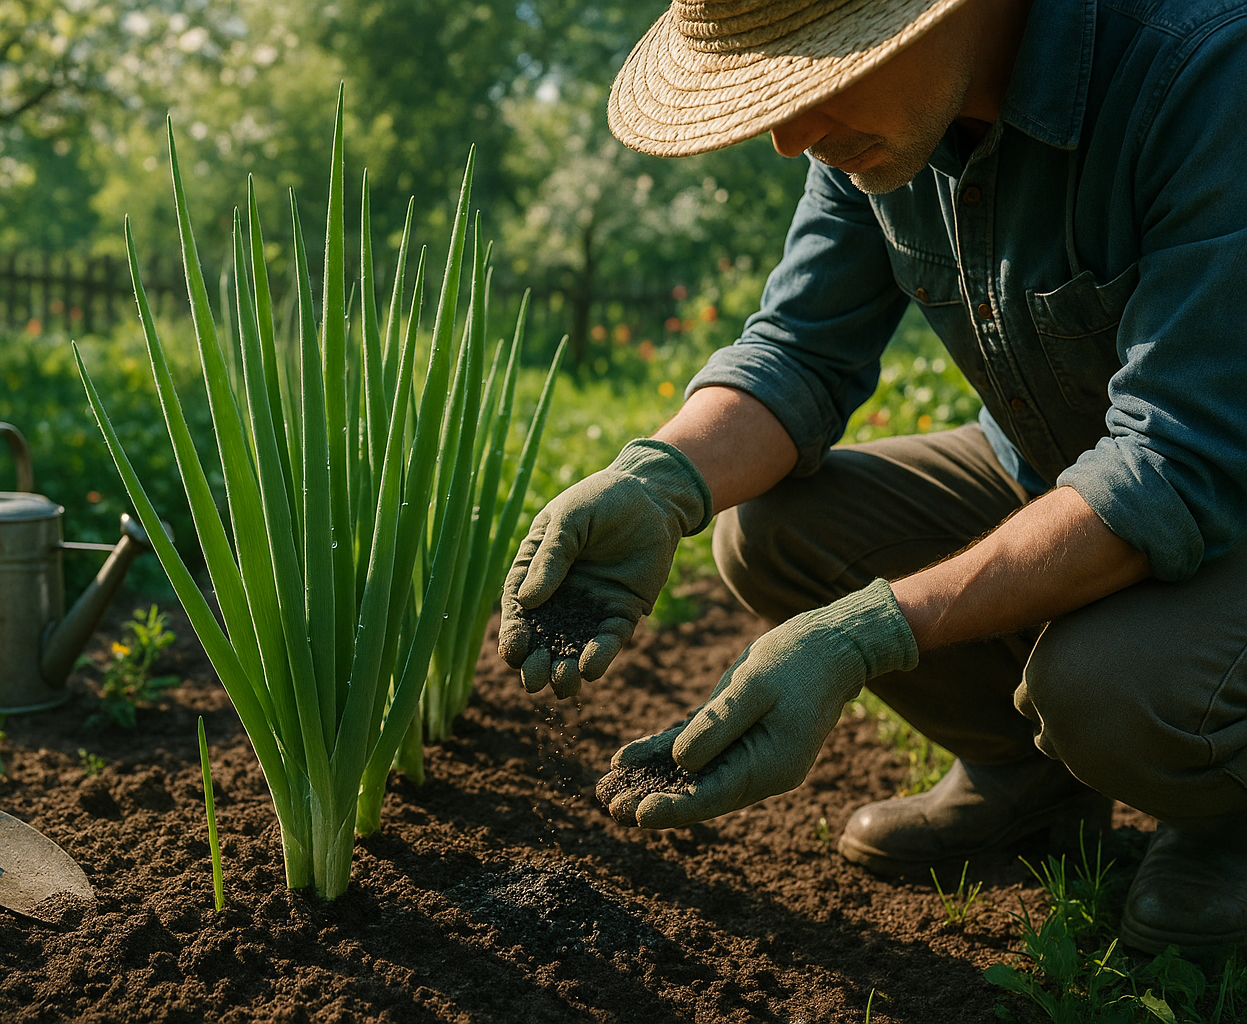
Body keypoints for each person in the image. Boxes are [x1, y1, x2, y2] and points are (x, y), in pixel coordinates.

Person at [498, 0, 1247, 956]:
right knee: (775, 529)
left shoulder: (1205, 70)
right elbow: (800, 352)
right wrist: (657, 480)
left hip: (1223, 488)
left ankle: (1227, 820)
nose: (787, 133)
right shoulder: (887, 125)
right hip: (1077, 473)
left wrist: (869, 633)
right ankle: (1028, 783)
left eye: (821, 67)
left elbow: (1176, 463)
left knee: (1111, 687)